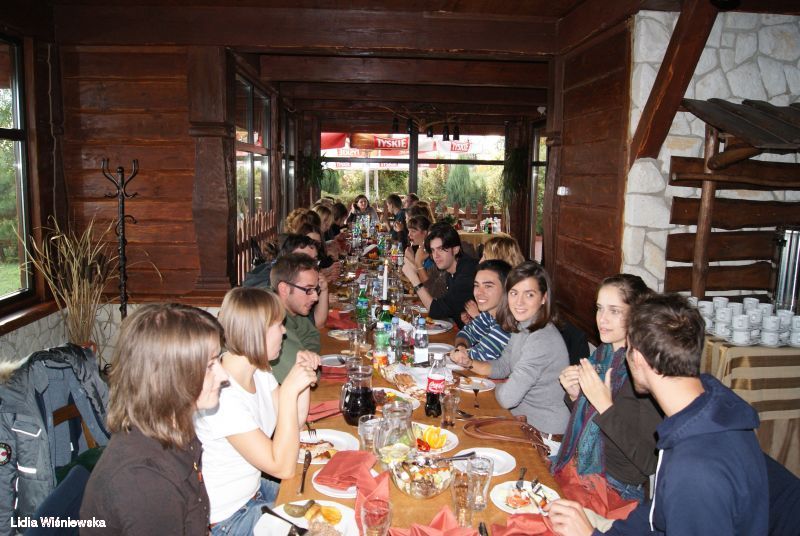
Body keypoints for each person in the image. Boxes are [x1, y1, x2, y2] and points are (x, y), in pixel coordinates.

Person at [547, 293, 769, 536]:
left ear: (637, 358)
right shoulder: (706, 411)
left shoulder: (695, 469)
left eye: (627, 349)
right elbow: (658, 515)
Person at [80, 304, 229, 534]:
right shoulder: (144, 480)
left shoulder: (174, 429)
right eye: (210, 365)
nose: (223, 375)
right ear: (169, 377)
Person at [195, 287, 319, 535]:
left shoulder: (259, 371)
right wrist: (289, 391)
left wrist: (302, 378)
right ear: (256, 332)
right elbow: (282, 467)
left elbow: (295, 422)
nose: (284, 332)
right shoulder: (222, 397)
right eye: (278, 325)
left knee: (325, 503)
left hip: (255, 491)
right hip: (229, 519)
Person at [552, 274, 662, 503]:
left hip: (617, 488)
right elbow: (593, 424)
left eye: (614, 311)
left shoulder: (645, 370)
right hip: (580, 469)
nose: (602, 319)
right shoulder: (602, 356)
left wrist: (604, 405)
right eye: (599, 308)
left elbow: (649, 463)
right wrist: (575, 395)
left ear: (637, 314)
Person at [451, 261, 569, 452]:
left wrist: (489, 388)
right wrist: (470, 363)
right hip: (520, 421)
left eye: (529, 294)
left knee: (465, 441)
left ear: (543, 298)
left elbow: (508, 398)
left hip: (542, 436)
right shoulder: (523, 325)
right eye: (514, 293)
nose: (519, 302)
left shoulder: (542, 338)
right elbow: (503, 365)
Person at [402, 222, 478, 328]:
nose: (435, 256)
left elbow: (436, 311)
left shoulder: (467, 273)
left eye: (441, 249)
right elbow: (442, 302)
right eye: (433, 250)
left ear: (455, 249)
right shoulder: (452, 270)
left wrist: (414, 279)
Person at [270, 253, 323, 383]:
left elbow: (312, 335)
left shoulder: (293, 310)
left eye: (316, 289)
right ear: (284, 289)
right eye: (308, 290)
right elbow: (306, 376)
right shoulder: (269, 319)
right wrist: (310, 361)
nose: (315, 297)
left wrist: (309, 356)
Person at [450, 260, 511, 362]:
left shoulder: (508, 322)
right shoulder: (488, 315)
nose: (479, 292)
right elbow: (466, 333)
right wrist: (461, 347)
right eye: (477, 285)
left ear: (506, 289)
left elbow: (482, 355)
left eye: (488, 286)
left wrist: (459, 353)